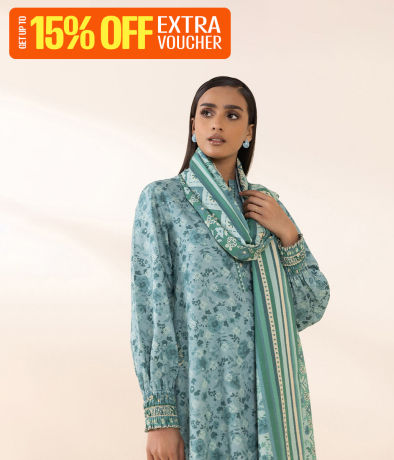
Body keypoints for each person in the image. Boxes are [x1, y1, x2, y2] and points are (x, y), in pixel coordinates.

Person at [130, 76, 331, 460]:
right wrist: (160, 417)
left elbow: (308, 308)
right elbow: (151, 310)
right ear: (193, 125)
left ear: (249, 132)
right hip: (198, 395)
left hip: (266, 397)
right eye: (207, 113)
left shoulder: (265, 206)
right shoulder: (162, 200)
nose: (217, 124)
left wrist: (288, 233)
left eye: (232, 115)